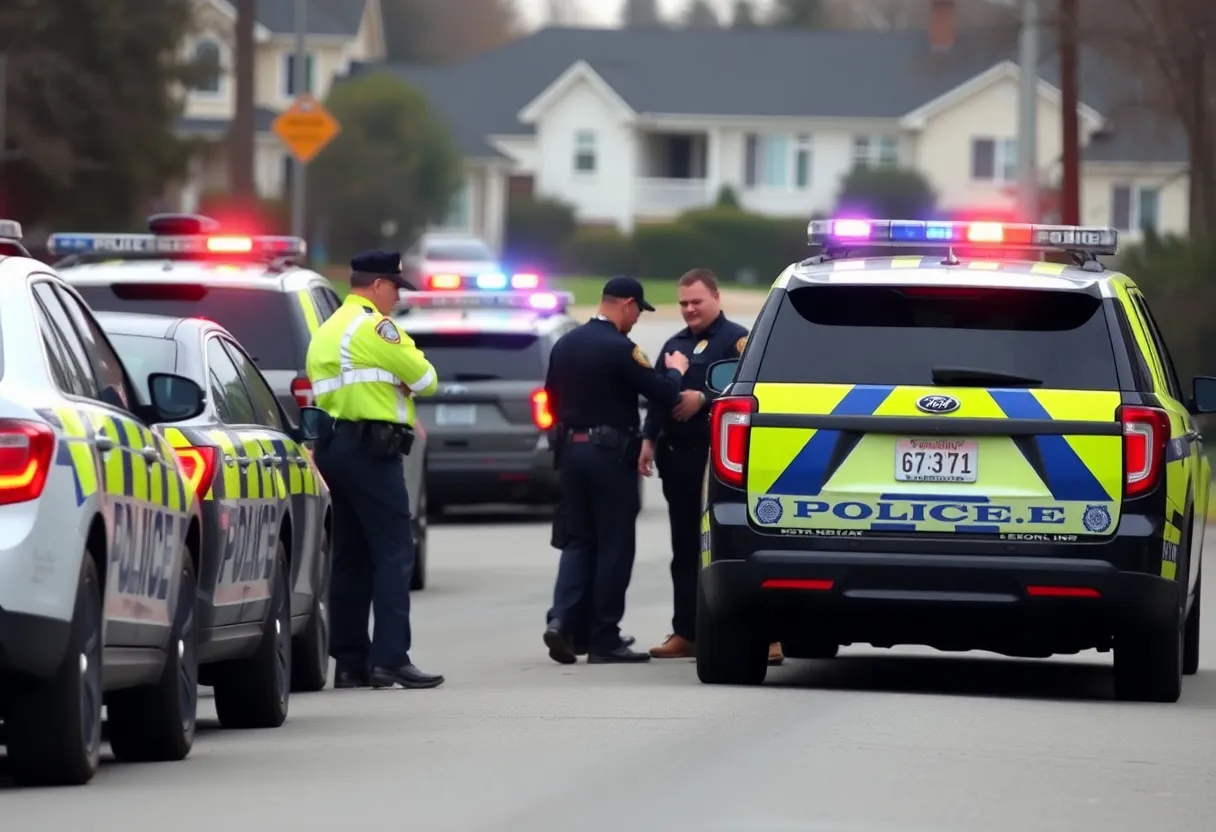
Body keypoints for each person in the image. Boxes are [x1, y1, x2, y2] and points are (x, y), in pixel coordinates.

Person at [305, 250, 443, 690]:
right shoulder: (374, 327)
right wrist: (402, 374)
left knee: (350, 556)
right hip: (372, 453)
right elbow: (426, 379)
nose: (397, 300)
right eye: (397, 289)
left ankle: (350, 662)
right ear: (379, 284)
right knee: (394, 552)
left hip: (333, 448)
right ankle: (390, 658)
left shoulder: (327, 329)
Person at [639, 269, 784, 666]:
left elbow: (753, 387)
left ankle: (767, 638)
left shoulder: (738, 341)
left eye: (696, 302)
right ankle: (686, 631)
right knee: (684, 550)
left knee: (738, 550)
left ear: (716, 298)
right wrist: (648, 442)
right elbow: (657, 397)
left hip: (722, 462)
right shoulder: (674, 345)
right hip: (679, 462)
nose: (689, 310)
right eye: (683, 303)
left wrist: (702, 398)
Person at [542, 276, 689, 665]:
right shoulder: (621, 348)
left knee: (577, 541)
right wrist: (676, 369)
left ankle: (563, 622)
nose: (637, 319)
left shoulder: (565, 343)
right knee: (614, 545)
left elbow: (551, 399)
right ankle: (605, 637)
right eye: (638, 311)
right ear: (626, 304)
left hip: (570, 452)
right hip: (610, 456)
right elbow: (664, 393)